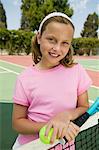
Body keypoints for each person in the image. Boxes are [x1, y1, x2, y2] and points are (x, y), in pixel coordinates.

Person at [12, 12, 92, 149]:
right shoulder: (24, 78)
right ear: (39, 37)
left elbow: (84, 106)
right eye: (51, 39)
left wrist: (66, 115)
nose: (57, 48)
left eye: (65, 43)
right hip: (31, 146)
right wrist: (53, 126)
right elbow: (18, 123)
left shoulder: (77, 71)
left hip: (65, 145)